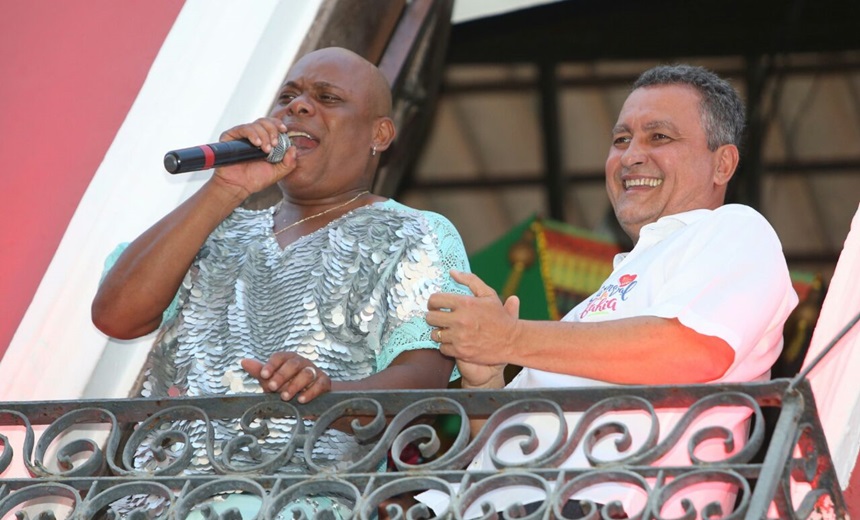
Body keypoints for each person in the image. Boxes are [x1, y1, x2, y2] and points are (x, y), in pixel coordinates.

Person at [91, 46, 469, 516]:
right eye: (287, 96)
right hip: (153, 501)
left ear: (380, 133)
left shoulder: (415, 232)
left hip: (299, 498)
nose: (298, 107)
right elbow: (116, 315)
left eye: (327, 98)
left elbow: (425, 383)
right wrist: (224, 189)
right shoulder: (216, 225)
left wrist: (325, 393)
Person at [421, 64, 798, 518]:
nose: (631, 155)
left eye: (659, 137)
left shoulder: (735, 228)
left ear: (723, 164)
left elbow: (695, 350)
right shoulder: (601, 297)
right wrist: (487, 379)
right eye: (621, 140)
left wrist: (510, 337)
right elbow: (503, 444)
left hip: (611, 506)